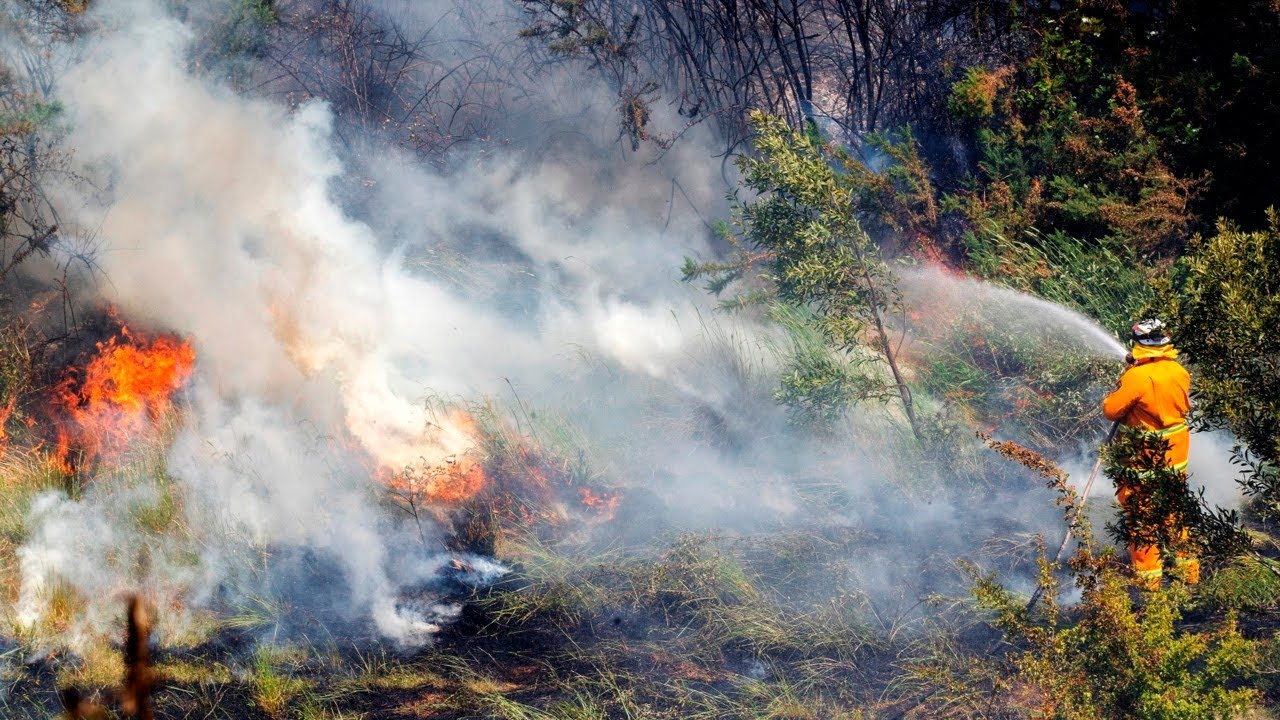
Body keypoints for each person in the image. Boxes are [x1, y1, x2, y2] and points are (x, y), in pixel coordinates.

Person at [1102, 318, 1198, 588]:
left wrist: (1127, 377)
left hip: (1143, 456)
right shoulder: (1178, 370)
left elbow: (1111, 410)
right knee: (1174, 510)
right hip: (1176, 450)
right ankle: (1188, 572)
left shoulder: (1136, 377)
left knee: (1141, 514)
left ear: (1139, 345)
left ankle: (1149, 581)